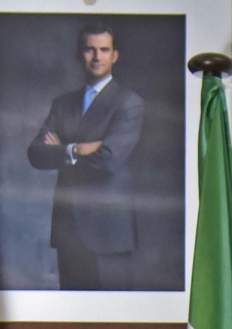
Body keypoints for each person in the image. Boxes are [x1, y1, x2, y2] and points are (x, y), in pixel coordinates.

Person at [26, 22, 145, 290]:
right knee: (72, 319)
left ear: (115, 56)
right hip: (68, 229)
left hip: (109, 232)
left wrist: (61, 153)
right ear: (80, 54)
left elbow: (109, 161)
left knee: (111, 321)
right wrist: (75, 149)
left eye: (104, 49)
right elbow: (35, 153)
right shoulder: (63, 103)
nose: (97, 56)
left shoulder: (128, 102)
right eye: (90, 49)